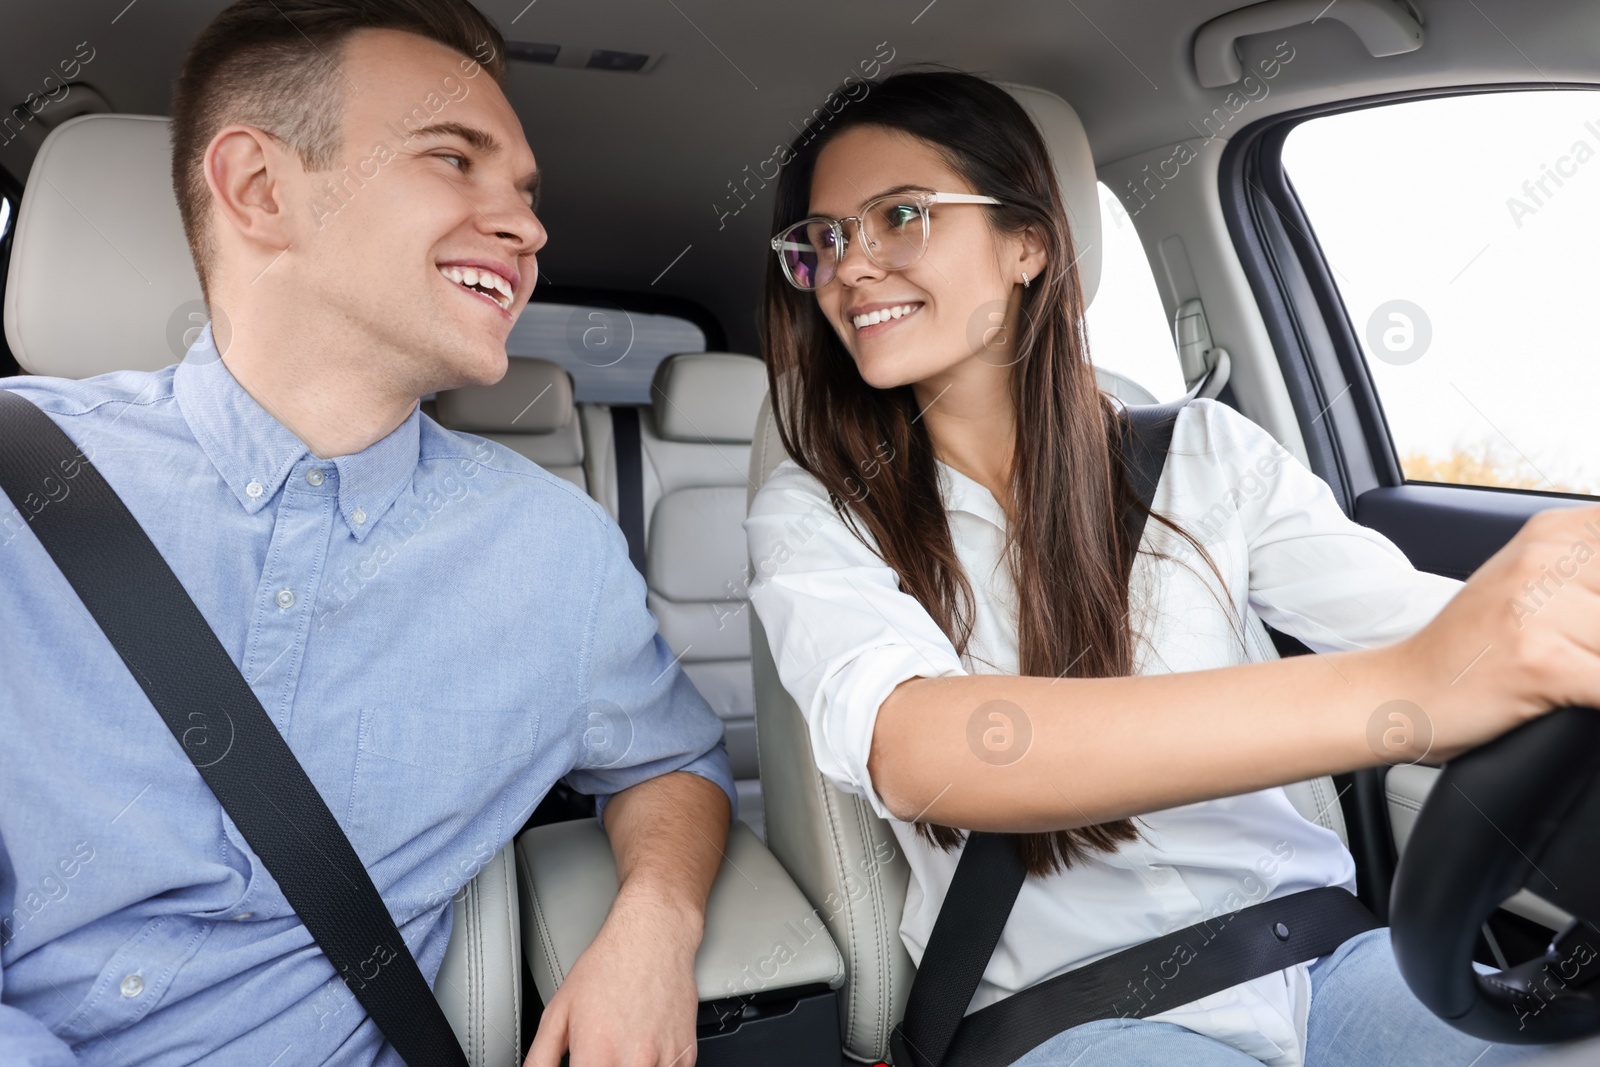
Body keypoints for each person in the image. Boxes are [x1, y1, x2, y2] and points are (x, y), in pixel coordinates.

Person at [746, 69, 1597, 1066]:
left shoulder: (1203, 451)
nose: (850, 267)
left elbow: (1419, 627)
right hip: (1082, 1014)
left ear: (1027, 243)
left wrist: (1543, 628)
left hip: (1328, 961)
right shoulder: (817, 510)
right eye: (827, 239)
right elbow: (921, 748)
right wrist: (1405, 689)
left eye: (898, 215)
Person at [0, 2, 734, 1065]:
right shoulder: (20, 492)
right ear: (259, 189)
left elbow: (676, 760)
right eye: (452, 158)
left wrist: (656, 923)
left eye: (526, 194)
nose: (527, 227)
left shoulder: (553, 556)